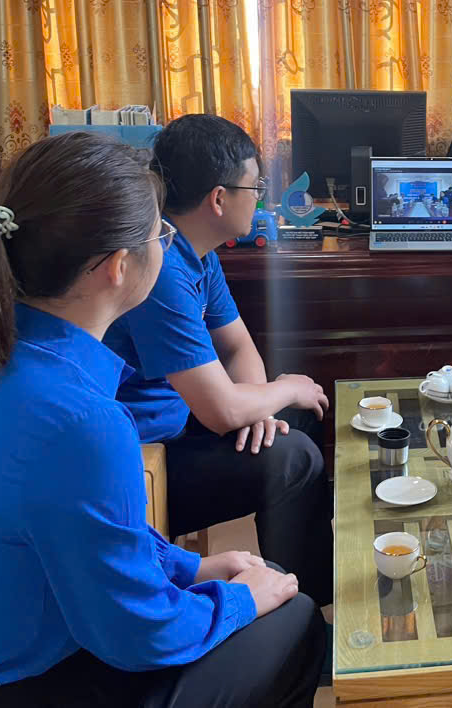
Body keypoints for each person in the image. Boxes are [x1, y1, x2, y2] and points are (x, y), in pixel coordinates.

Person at [0, 132, 325, 707]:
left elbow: (93, 536)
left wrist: (189, 567)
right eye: (160, 235)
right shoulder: (80, 419)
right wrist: (241, 600)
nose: (168, 246)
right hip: (16, 690)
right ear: (119, 266)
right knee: (293, 622)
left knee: (260, 582)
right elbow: (139, 636)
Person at [104, 115, 333, 606]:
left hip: (180, 418)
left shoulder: (197, 253)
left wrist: (262, 409)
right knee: (293, 457)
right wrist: (284, 388)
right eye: (256, 187)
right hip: (145, 458)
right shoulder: (163, 269)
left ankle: (312, 588)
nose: (261, 198)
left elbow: (236, 347)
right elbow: (221, 411)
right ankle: (302, 604)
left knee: (295, 421)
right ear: (218, 199)